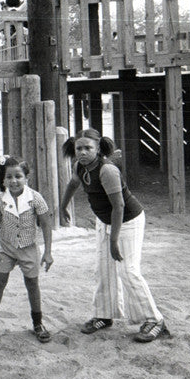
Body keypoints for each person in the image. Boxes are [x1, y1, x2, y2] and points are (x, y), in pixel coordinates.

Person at [59, 129, 168, 343]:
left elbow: (119, 206)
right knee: (103, 269)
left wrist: (113, 240)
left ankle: (155, 319)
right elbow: (73, 183)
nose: (82, 152)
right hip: (105, 219)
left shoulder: (107, 170)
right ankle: (104, 314)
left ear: (98, 148)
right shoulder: (80, 166)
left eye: (88, 148)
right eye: (79, 148)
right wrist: (63, 205)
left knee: (128, 271)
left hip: (127, 220)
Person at [0, 156, 54, 343]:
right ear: (3, 180)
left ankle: (38, 323)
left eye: (18, 176)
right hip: (6, 249)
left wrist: (48, 252)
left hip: (29, 249)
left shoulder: (35, 198)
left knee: (32, 285)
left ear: (26, 178)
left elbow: (45, 224)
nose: (13, 181)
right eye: (9, 177)